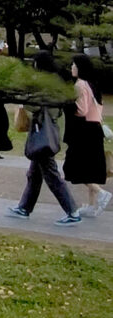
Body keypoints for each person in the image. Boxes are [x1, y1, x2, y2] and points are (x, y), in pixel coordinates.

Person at [7, 51, 82, 225]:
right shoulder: (57, 83)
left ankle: (72, 211)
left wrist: (22, 100)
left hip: (42, 130)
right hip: (48, 129)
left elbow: (35, 107)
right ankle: (25, 207)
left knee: (50, 173)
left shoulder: (44, 85)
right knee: (35, 172)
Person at [63, 54, 112, 217]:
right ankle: (91, 205)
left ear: (80, 68)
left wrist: (67, 103)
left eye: (74, 65)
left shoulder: (80, 85)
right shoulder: (93, 85)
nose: (72, 67)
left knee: (76, 166)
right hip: (95, 129)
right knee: (91, 167)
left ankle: (101, 193)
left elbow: (81, 110)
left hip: (83, 131)